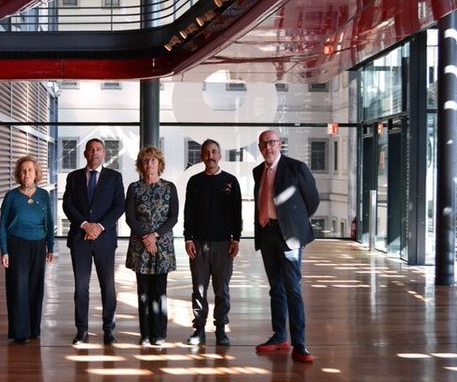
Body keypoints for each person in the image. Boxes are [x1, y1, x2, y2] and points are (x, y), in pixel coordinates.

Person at [253, 130, 319, 363]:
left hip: (288, 236)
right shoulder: (257, 171)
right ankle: (280, 336)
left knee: (293, 288)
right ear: (260, 147)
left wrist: (294, 223)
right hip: (267, 232)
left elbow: (312, 201)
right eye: (263, 144)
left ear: (280, 144)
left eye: (272, 143)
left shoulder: (296, 168)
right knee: (276, 288)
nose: (268, 148)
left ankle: (300, 344)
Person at [62, 138, 125, 345]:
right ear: (85, 153)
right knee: (81, 287)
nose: (94, 153)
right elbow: (68, 205)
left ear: (104, 153)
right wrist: (84, 225)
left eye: (98, 149)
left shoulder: (115, 177)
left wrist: (98, 227)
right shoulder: (73, 177)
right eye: (91, 149)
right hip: (80, 239)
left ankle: (109, 329)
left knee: (107, 286)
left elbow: (119, 206)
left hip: (104, 240)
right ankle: (82, 330)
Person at [184, 139, 242, 346]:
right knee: (199, 289)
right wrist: (188, 238)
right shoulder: (194, 181)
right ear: (201, 157)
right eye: (206, 152)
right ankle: (199, 330)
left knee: (221, 289)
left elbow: (237, 213)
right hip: (198, 243)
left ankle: (220, 329)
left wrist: (236, 239)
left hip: (223, 244)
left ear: (220, 155)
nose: (210, 156)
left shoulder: (231, 181)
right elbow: (188, 212)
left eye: (214, 152)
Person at [125, 147, 179, 346]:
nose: (150, 164)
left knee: (160, 290)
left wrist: (154, 236)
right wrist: (145, 237)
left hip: (162, 245)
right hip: (141, 246)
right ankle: (146, 334)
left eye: (153, 161)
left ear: (160, 164)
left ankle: (160, 333)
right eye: (146, 161)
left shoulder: (169, 187)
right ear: (141, 165)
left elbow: (173, 217)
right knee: (143, 291)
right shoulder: (134, 188)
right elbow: (130, 217)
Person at [0, 156, 54, 344]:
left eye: (30, 170)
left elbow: (50, 222)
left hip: (38, 245)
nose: (26, 174)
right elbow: (2, 225)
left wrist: (51, 246)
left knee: (36, 288)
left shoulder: (44, 195)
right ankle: (19, 332)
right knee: (18, 288)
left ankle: (33, 330)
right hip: (17, 245)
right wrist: (4, 250)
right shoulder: (11, 196)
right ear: (18, 174)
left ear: (36, 173)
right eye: (23, 170)